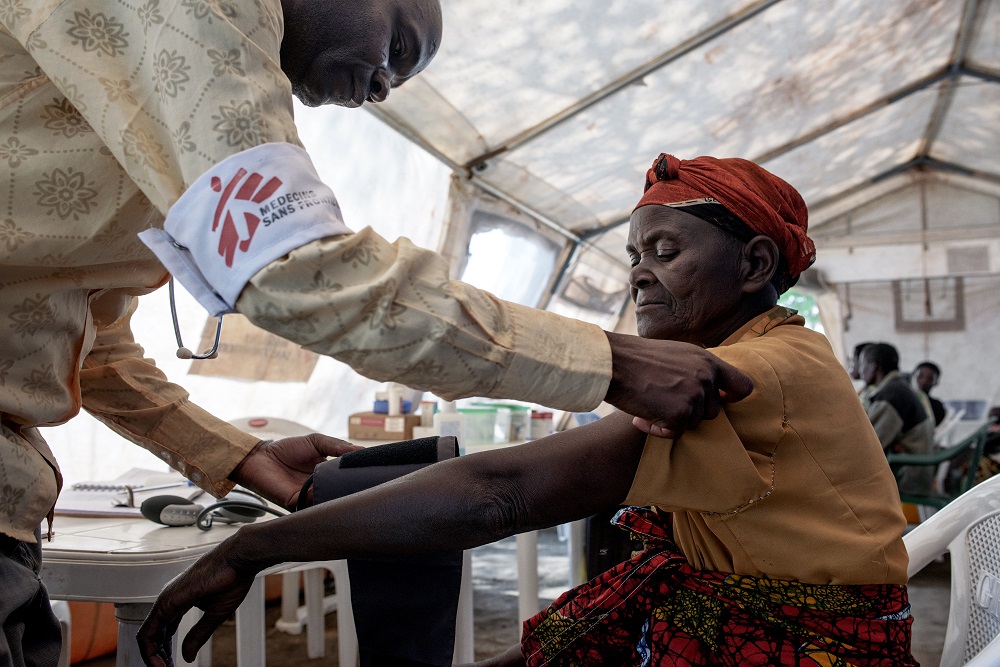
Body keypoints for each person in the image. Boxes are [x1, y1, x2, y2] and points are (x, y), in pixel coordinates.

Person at [0, 4, 760, 667]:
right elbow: (298, 270)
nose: (386, 86)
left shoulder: (160, 95)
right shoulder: (194, 20)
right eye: (399, 47)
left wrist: (243, 458)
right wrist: (610, 359)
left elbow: (94, 349)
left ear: (759, 265)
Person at [138, 154, 916, 667]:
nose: (641, 276)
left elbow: (499, 493)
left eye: (668, 251)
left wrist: (255, 547)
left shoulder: (752, 374)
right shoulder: (770, 351)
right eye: (635, 257)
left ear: (753, 264)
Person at [861, 343, 935, 495]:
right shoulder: (899, 388)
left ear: (874, 367)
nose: (861, 371)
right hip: (914, 470)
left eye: (863, 365)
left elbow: (868, 446)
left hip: (908, 477)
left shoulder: (892, 396)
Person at [912, 361, 946, 426]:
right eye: (920, 376)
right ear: (914, 377)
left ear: (935, 382)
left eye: (929, 379)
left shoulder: (937, 406)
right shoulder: (906, 401)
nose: (924, 381)